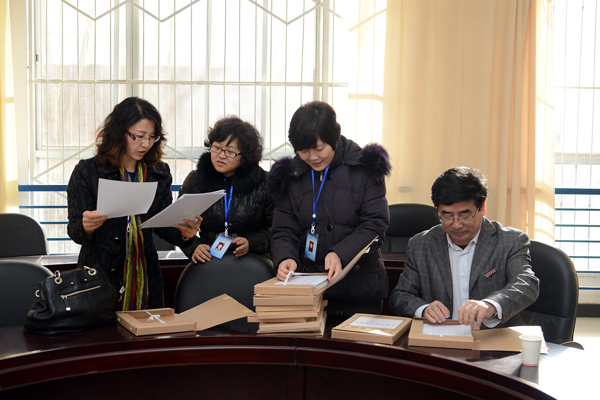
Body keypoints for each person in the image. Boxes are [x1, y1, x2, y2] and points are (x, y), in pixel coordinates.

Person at [67, 97, 201, 311]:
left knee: (148, 328)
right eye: (138, 136)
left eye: (152, 137)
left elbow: (162, 224)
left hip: (146, 273)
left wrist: (185, 232)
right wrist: (86, 226)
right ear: (119, 132)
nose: (146, 144)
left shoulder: (158, 172)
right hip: (100, 274)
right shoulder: (88, 171)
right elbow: (74, 230)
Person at [267, 101, 391, 316]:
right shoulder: (289, 176)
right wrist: (285, 257)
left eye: (319, 149)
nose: (313, 157)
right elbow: (283, 229)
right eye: (304, 151)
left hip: (360, 289)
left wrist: (340, 253)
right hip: (310, 290)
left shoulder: (365, 168)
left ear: (334, 138)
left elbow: (374, 225)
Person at [389, 166, 540, 329]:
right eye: (447, 215)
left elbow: (526, 284)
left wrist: (490, 305)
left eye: (464, 215)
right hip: (440, 336)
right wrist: (423, 309)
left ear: (482, 207)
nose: (456, 224)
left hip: (492, 337)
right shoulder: (421, 244)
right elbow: (401, 296)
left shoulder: (510, 241)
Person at [179, 116, 274, 263]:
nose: (221, 156)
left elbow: (279, 229)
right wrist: (194, 246)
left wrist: (251, 242)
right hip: (208, 261)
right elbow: (178, 226)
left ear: (245, 156)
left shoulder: (264, 183)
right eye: (217, 148)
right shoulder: (195, 180)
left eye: (230, 151)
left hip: (254, 263)